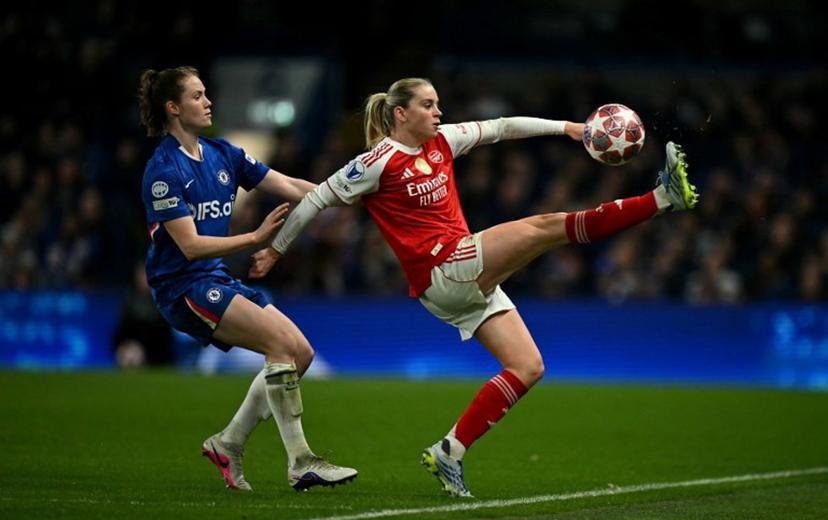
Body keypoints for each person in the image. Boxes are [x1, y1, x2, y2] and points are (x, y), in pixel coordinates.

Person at [249, 77, 699, 497]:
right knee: (546, 226)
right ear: (401, 114)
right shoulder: (375, 162)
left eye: (438, 105)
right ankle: (661, 199)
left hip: (460, 277)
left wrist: (568, 128)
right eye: (428, 105)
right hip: (443, 269)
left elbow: (503, 127)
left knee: (527, 367)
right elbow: (314, 201)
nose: (438, 113)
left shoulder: (443, 141)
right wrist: (275, 250)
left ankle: (450, 451)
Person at [137, 66, 357, 492]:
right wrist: (254, 238)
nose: (208, 102)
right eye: (197, 96)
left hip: (213, 278)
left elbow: (288, 183)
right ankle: (301, 462)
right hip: (182, 288)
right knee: (281, 347)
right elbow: (190, 247)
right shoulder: (163, 171)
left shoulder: (222, 153)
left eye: (206, 93)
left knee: (300, 354)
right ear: (173, 108)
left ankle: (229, 442)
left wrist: (347, 196)